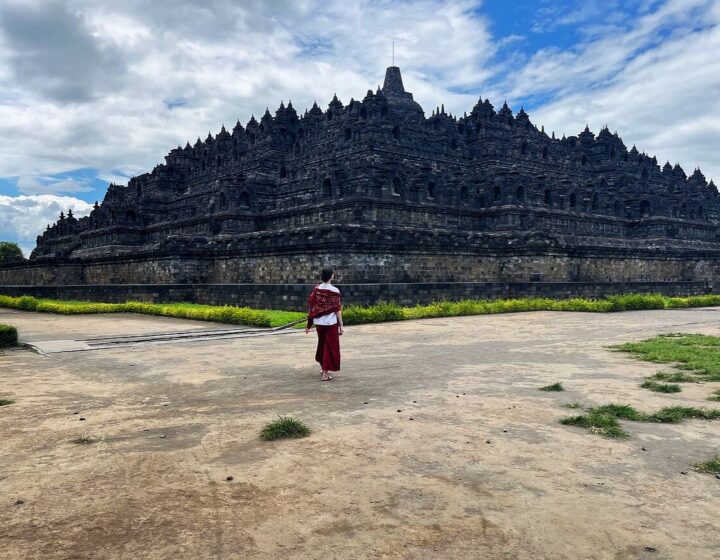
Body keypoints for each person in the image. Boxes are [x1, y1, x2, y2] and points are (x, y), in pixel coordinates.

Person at [305, 267, 343, 381]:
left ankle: (323, 367)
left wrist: (309, 324)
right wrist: (341, 325)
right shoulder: (335, 290)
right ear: (331, 276)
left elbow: (312, 308)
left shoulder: (316, 289)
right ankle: (325, 374)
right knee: (330, 347)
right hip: (330, 323)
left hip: (319, 323)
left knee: (322, 344)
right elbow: (337, 309)